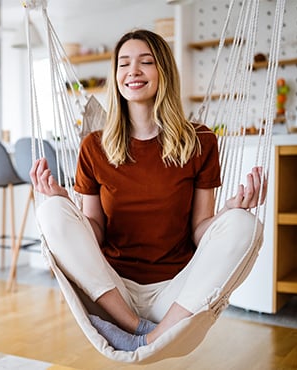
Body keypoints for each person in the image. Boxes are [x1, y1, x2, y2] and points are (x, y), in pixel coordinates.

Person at [30, 29, 266, 352]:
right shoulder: (93, 147)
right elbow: (95, 231)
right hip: (114, 290)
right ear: (115, 77)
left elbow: (200, 229)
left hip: (175, 292)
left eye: (146, 62)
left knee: (246, 224)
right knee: (49, 211)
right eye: (123, 64)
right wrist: (63, 207)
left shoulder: (200, 142)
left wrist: (230, 212)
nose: (133, 71)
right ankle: (132, 326)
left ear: (164, 72)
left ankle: (151, 338)